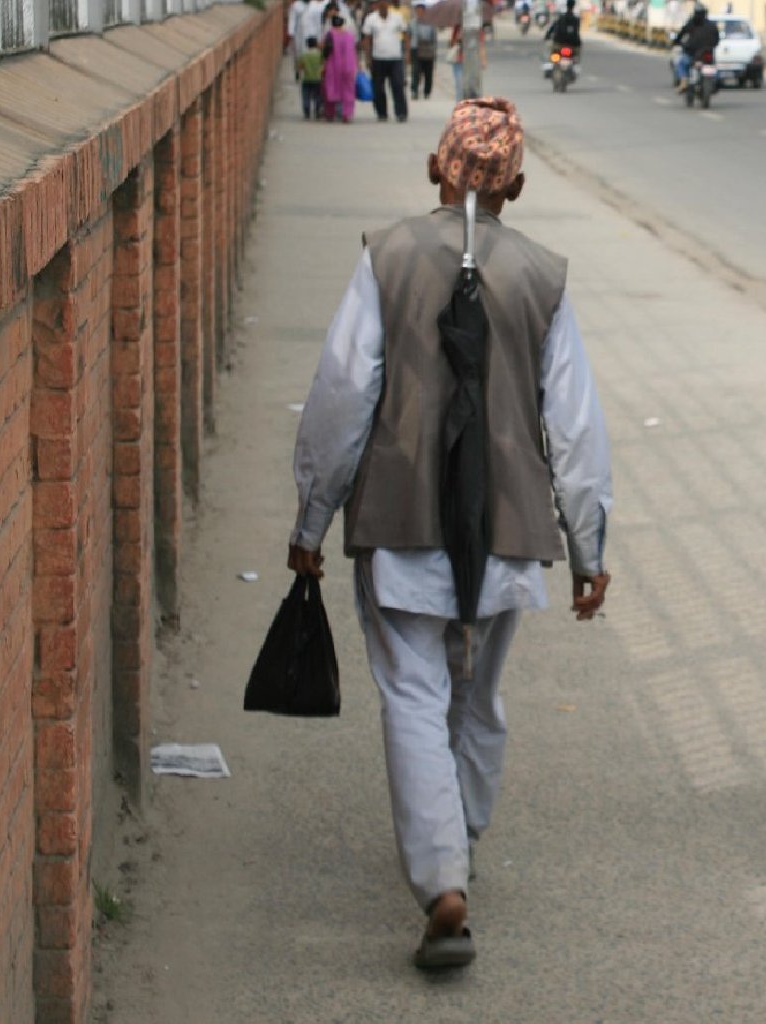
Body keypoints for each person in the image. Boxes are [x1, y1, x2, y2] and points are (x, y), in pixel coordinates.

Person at [287, 96, 612, 969]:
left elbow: (341, 397)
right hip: (506, 534)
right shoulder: (543, 276)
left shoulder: (386, 258)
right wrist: (591, 548)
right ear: (519, 185)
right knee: (478, 696)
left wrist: (311, 517)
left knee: (414, 696)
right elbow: (575, 427)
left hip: (399, 528)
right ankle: (456, 839)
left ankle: (443, 881)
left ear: (437, 169)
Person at [362, 0, 409, 122]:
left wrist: (407, 53)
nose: (383, 5)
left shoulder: (397, 18)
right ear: (377, 5)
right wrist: (367, 58)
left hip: (395, 58)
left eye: (385, 3)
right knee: (378, 88)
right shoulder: (371, 19)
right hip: (378, 58)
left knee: (398, 85)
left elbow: (406, 34)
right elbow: (366, 39)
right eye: (380, 3)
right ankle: (381, 113)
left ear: (388, 4)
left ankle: (401, 113)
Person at [672, 2, 720, 91]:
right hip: (703, 54)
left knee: (681, 63)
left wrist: (676, 42)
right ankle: (685, 81)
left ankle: (684, 80)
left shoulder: (693, 23)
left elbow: (681, 34)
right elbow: (717, 40)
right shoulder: (711, 25)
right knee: (682, 62)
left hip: (696, 54)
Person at [323, 13, 358, 122]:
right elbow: (353, 51)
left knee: (330, 88)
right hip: (348, 66)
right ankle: (346, 114)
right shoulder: (350, 36)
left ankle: (330, 113)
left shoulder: (330, 35)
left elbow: (326, 52)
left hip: (333, 66)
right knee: (348, 90)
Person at [410, 1, 437, 100]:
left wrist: (434, 52)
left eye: (421, 11)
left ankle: (427, 91)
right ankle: (414, 90)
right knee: (415, 71)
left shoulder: (430, 23)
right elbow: (409, 36)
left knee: (428, 72)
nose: (419, 13)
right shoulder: (412, 23)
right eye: (418, 11)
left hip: (427, 50)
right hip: (416, 49)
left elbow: (434, 38)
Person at [298, 36, 324, 118]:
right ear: (316, 44)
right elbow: (323, 65)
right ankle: (317, 111)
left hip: (307, 79)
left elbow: (300, 66)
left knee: (306, 96)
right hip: (317, 79)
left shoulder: (304, 55)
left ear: (307, 45)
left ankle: (307, 111)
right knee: (317, 96)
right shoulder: (320, 55)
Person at [287, 0, 308, 81]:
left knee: (309, 53)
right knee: (298, 53)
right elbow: (292, 19)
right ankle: (297, 71)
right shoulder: (296, 5)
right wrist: (291, 33)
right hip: (299, 34)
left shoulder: (314, 5)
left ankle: (308, 72)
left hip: (311, 33)